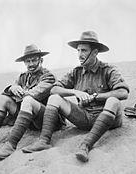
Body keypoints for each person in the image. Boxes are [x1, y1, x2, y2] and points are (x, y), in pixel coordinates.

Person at [22, 31, 129, 162]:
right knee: (54, 98)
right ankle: (44, 141)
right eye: (78, 50)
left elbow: (123, 92)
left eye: (84, 50)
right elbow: (54, 89)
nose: (80, 55)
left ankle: (85, 145)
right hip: (84, 118)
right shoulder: (76, 72)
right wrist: (74, 92)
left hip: (109, 120)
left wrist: (96, 97)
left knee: (113, 100)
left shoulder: (108, 70)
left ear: (95, 53)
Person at [0, 44, 57, 159]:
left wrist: (16, 90)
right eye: (27, 61)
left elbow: (34, 94)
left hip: (46, 121)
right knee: (3, 99)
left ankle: (10, 145)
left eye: (34, 60)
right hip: (29, 119)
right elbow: (11, 90)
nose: (31, 64)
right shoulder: (23, 77)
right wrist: (12, 87)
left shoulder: (48, 76)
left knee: (28, 100)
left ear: (41, 60)